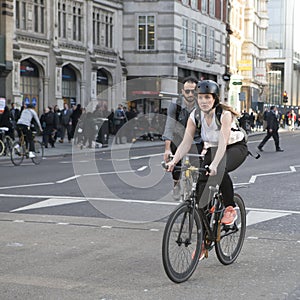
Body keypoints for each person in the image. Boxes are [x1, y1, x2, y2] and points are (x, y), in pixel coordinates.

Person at [166, 80, 248, 225]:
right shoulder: (195, 115)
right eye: (201, 97)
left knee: (220, 169)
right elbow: (186, 142)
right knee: (201, 193)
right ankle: (205, 239)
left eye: (207, 97)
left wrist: (215, 164)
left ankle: (230, 208)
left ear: (215, 98)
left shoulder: (224, 114)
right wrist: (173, 161)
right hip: (213, 148)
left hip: (235, 147)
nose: (203, 101)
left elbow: (223, 142)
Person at [163, 76, 200, 200]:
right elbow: (169, 126)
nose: (190, 94)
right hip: (179, 137)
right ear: (182, 91)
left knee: (200, 163)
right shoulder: (175, 106)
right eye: (187, 91)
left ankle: (197, 183)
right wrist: (167, 149)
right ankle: (176, 183)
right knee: (176, 162)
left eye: (193, 91)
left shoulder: (202, 105)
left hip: (197, 138)